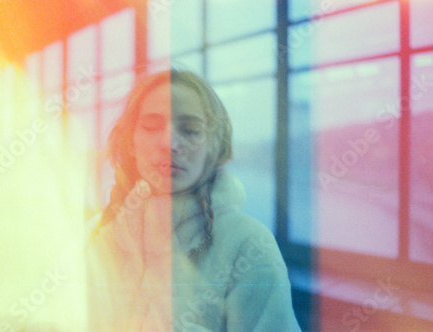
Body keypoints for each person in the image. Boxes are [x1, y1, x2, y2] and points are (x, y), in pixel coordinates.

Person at [86, 69, 300, 331]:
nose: (169, 143)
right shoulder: (99, 234)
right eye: (152, 127)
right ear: (130, 141)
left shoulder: (249, 243)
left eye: (190, 130)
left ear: (214, 144)